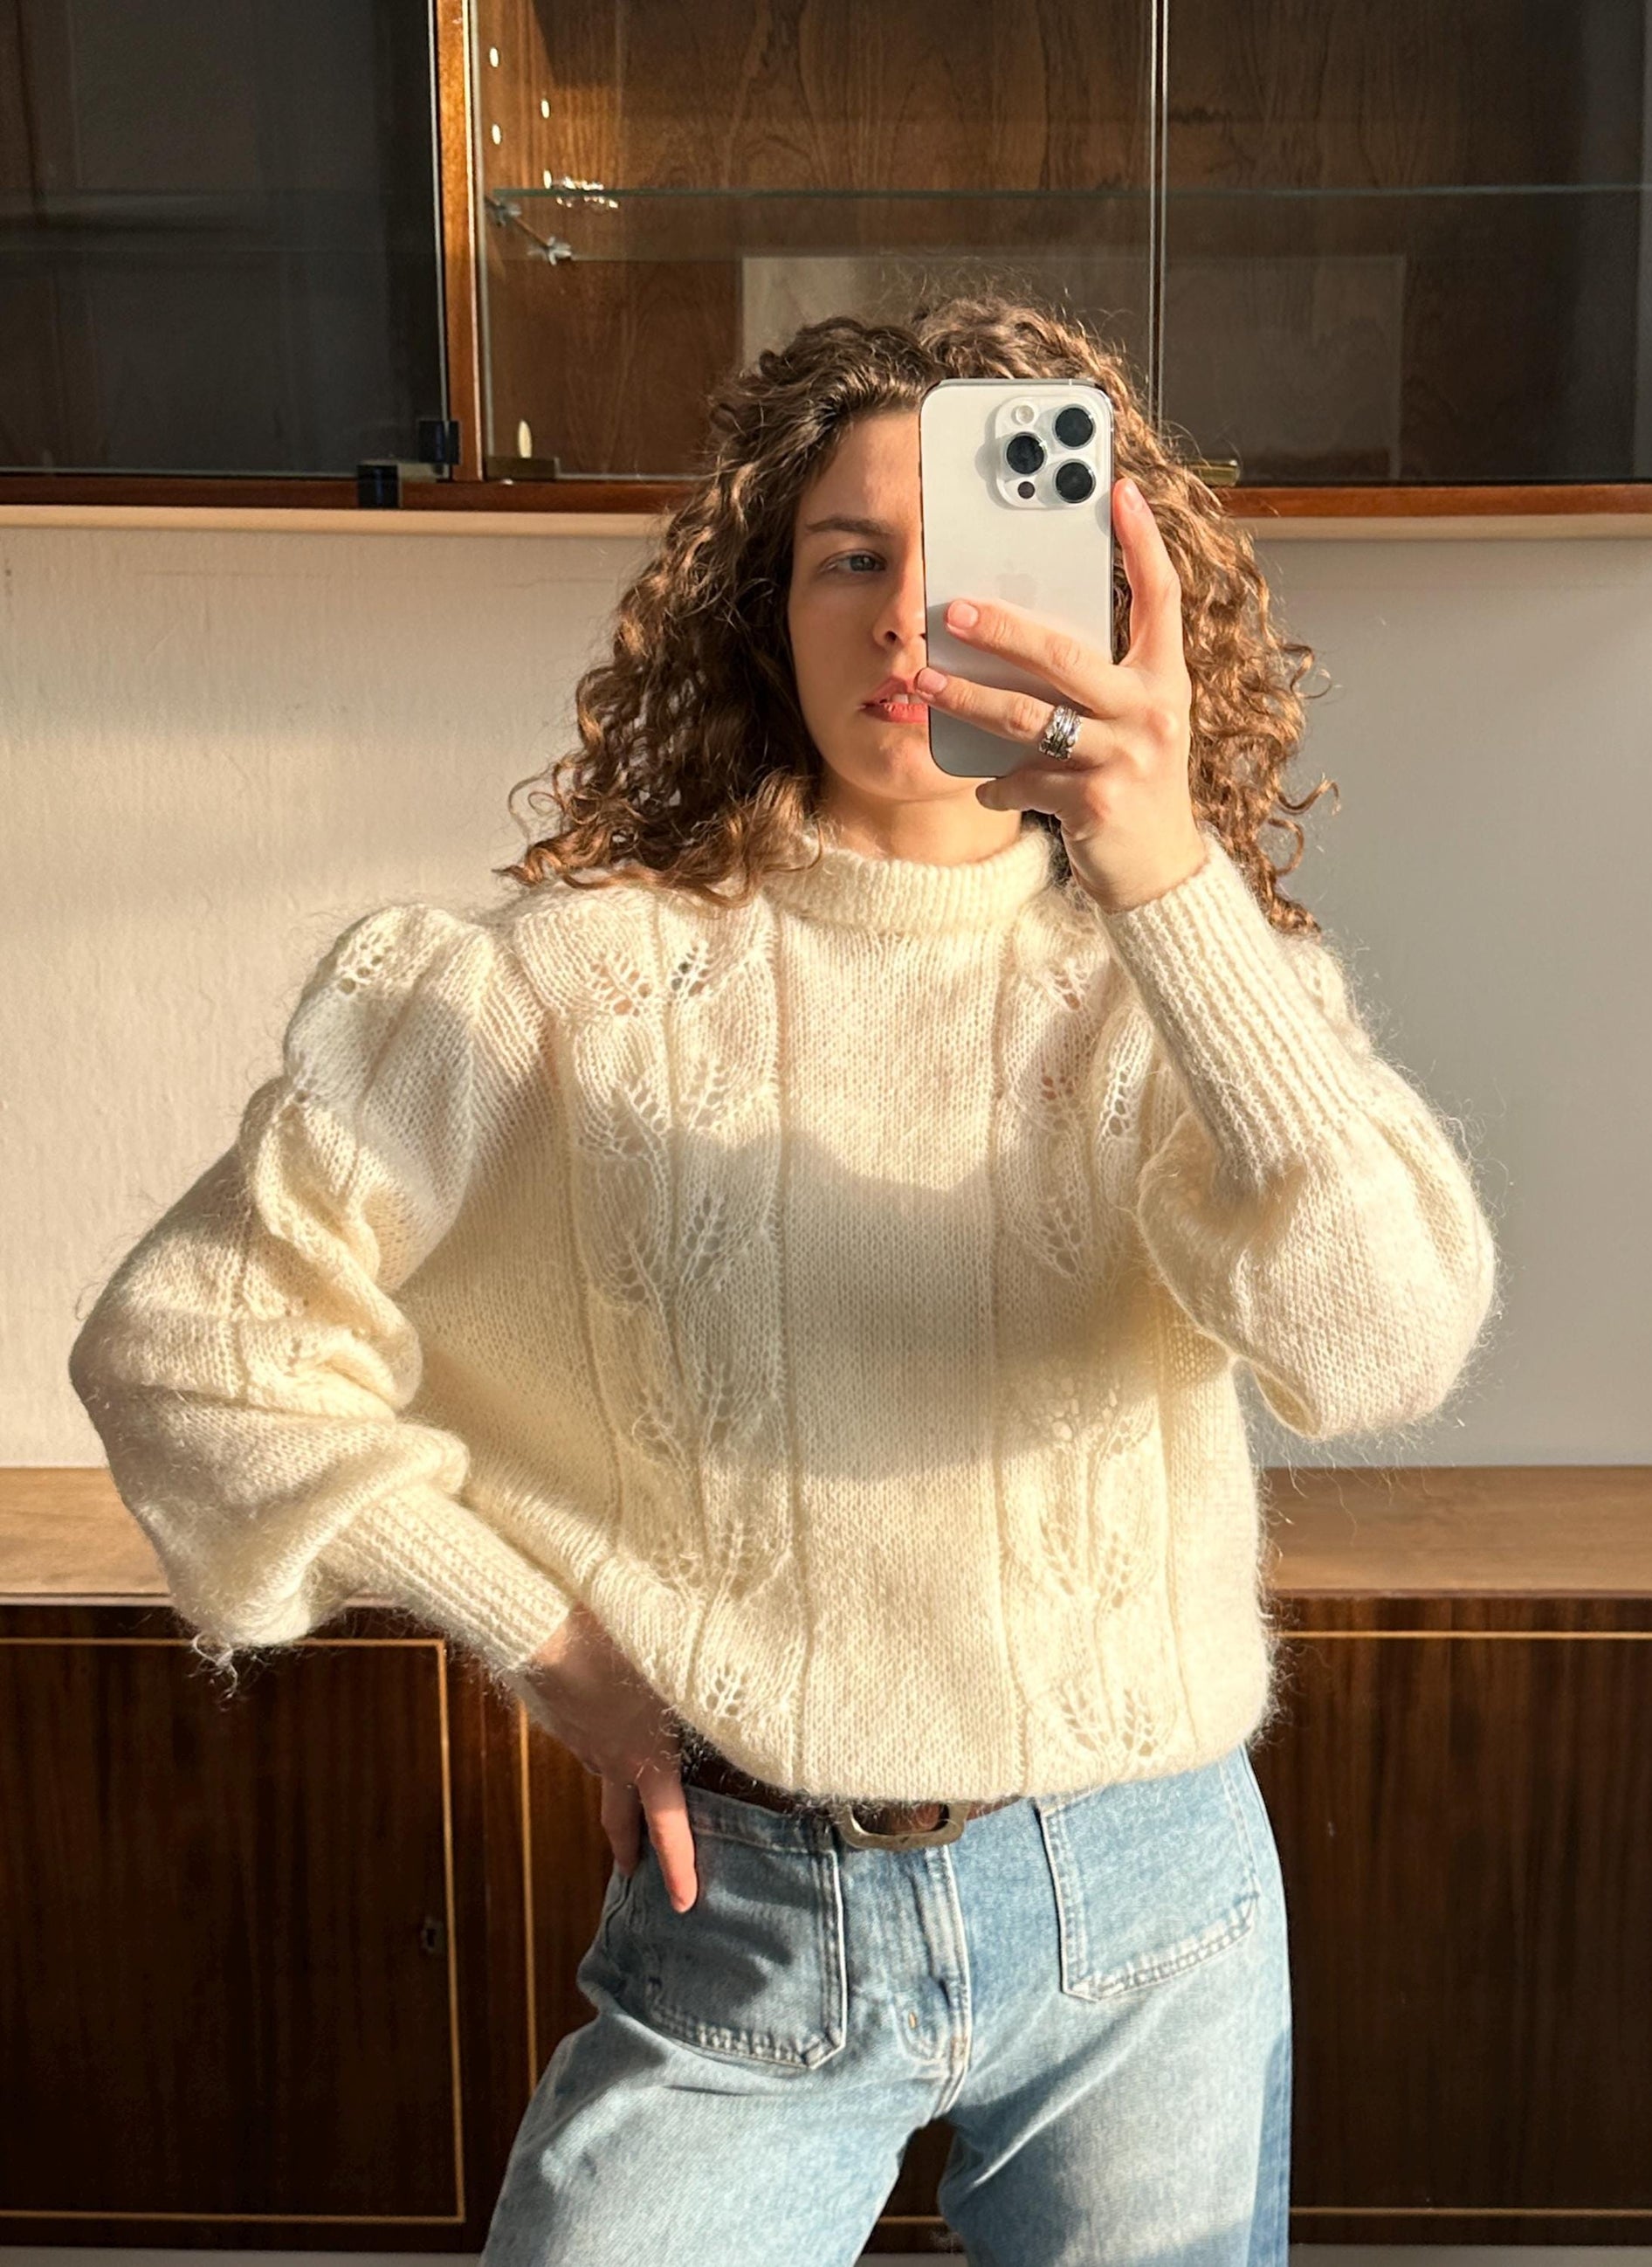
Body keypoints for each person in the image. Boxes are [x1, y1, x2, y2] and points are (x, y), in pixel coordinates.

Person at [68, 294, 1499, 2266]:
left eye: (976, 559)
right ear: (764, 602)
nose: (911, 621)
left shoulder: (1181, 990)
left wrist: (1165, 863)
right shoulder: (552, 987)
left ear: (1112, 603)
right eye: (850, 559)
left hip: (1154, 1905)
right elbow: (191, 1348)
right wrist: (550, 1646)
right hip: (748, 1907)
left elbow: (1385, 1339)